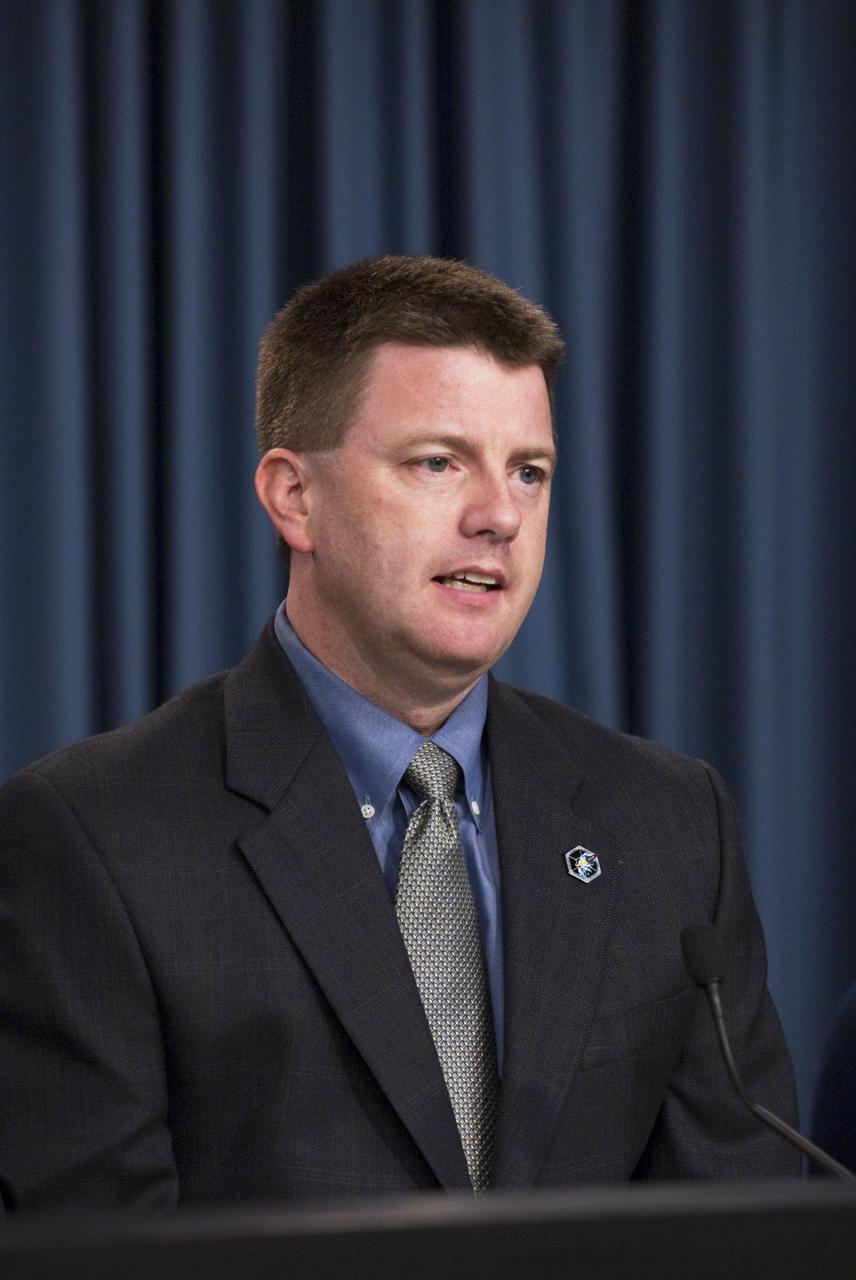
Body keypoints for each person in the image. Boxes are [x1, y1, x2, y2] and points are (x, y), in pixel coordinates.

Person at [0, 255, 799, 1213]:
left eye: (530, 472)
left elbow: (737, 1233)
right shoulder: (91, 838)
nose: (499, 516)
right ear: (295, 498)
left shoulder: (672, 823)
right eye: (438, 462)